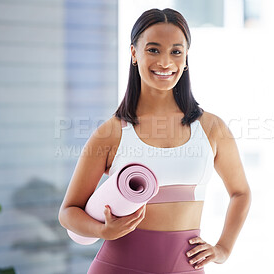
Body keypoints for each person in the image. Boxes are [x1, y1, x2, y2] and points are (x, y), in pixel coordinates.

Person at [58, 8, 251, 274]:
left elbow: (240, 193)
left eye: (176, 51)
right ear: (134, 53)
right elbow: (68, 212)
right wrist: (103, 229)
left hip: (186, 268)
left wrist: (223, 249)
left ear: (185, 58)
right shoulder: (112, 133)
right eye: (153, 50)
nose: (165, 62)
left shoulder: (211, 129)